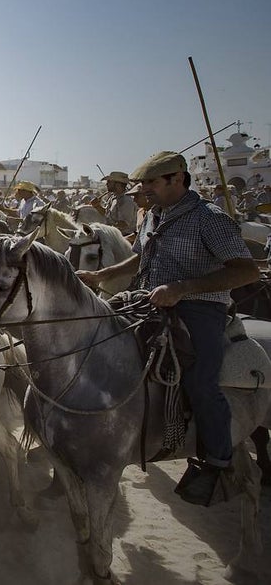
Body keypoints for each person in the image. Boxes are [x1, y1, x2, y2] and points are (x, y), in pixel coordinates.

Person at [77, 151, 259, 506]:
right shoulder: (152, 216)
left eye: (150, 182)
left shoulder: (210, 218)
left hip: (199, 308)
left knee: (201, 381)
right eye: (141, 183)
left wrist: (182, 289)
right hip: (147, 299)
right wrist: (103, 275)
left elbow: (246, 270)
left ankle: (217, 460)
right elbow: (140, 257)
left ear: (177, 179)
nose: (143, 189)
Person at [99, 170, 139, 235]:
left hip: (123, 238)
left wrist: (105, 229)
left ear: (117, 184)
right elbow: (107, 214)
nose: (106, 184)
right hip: (114, 236)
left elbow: (124, 224)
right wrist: (97, 206)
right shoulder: (113, 198)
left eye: (109, 181)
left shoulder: (127, 200)